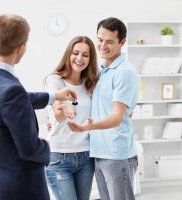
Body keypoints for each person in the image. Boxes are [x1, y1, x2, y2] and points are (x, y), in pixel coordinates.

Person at [0, 14, 77, 200]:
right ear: (21, 49)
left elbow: (11, 100)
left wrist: (53, 96)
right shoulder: (12, 91)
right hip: (21, 189)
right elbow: (29, 149)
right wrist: (48, 145)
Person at [68, 17, 140, 200]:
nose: (102, 46)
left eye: (109, 41)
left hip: (116, 154)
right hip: (99, 151)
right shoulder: (101, 69)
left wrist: (88, 127)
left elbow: (116, 117)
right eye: (100, 40)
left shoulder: (124, 72)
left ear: (122, 42)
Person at [44, 36, 98, 200]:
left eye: (85, 55)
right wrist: (63, 108)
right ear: (69, 54)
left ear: (90, 59)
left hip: (85, 157)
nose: (80, 58)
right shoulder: (55, 80)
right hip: (59, 158)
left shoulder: (89, 83)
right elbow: (58, 115)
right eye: (75, 53)